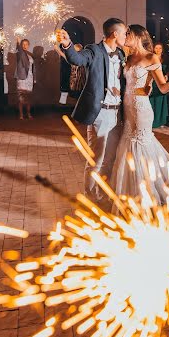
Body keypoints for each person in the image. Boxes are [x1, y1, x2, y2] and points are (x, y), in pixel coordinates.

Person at [110, 25, 169, 202]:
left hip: (141, 108)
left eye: (128, 33)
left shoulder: (151, 57)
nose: (125, 36)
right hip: (127, 107)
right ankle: (129, 194)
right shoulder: (128, 57)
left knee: (139, 144)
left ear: (137, 36)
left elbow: (161, 87)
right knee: (127, 143)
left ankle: (147, 195)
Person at [57, 18, 128, 200]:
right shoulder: (94, 50)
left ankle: (102, 194)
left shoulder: (120, 54)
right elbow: (77, 59)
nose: (126, 36)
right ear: (115, 34)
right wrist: (68, 45)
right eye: (124, 33)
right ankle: (90, 197)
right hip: (101, 112)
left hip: (117, 113)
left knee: (110, 159)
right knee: (96, 159)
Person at [149, 42, 169, 128]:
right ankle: (152, 121)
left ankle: (160, 121)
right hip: (153, 82)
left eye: (160, 48)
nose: (158, 50)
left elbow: (168, 70)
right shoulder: (151, 58)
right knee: (152, 101)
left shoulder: (165, 59)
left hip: (162, 83)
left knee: (160, 101)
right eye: (156, 48)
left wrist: (166, 76)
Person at [15, 37, 36, 120]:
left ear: (28, 45)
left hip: (29, 78)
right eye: (23, 44)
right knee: (21, 98)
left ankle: (28, 113)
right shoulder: (19, 53)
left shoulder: (30, 55)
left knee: (28, 97)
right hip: (22, 77)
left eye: (26, 44)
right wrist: (18, 43)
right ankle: (21, 115)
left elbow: (34, 68)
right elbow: (20, 50)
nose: (24, 46)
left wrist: (35, 78)